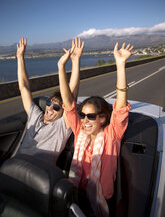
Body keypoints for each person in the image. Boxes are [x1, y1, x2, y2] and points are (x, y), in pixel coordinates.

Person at [58, 41, 135, 216]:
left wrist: (121, 65)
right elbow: (68, 104)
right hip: (76, 192)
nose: (85, 120)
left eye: (91, 116)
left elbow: (121, 106)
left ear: (102, 118)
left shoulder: (112, 134)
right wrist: (62, 67)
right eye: (83, 115)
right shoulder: (80, 132)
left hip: (101, 199)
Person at [16, 37, 84, 164]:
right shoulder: (35, 116)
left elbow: (71, 100)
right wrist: (20, 57)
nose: (50, 108)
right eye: (49, 103)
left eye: (57, 107)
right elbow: (24, 87)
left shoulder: (61, 127)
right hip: (16, 165)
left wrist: (75, 61)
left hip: (37, 174)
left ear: (63, 112)